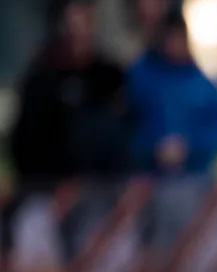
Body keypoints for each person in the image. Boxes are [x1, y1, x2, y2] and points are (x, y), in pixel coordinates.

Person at [10, 0, 129, 184]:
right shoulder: (42, 78)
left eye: (84, 21)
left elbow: (124, 134)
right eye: (72, 23)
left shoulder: (109, 76)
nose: (78, 32)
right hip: (49, 190)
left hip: (106, 190)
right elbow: (26, 143)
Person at [126, 7, 217, 174]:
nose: (175, 44)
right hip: (148, 178)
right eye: (171, 38)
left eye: (180, 37)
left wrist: (190, 146)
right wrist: (153, 147)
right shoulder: (141, 77)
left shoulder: (204, 82)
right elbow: (130, 127)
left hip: (196, 177)